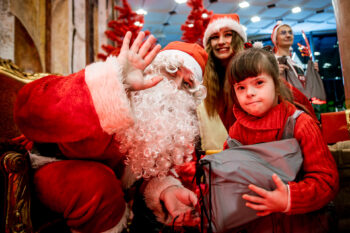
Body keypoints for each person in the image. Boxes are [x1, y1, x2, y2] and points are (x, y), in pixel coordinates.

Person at [14, 31, 208, 233]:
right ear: (152, 68)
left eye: (186, 84)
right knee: (95, 184)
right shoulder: (109, 87)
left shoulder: (165, 124)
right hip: (52, 165)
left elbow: (145, 169)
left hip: (109, 191)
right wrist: (117, 82)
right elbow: (29, 108)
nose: (175, 87)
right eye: (171, 71)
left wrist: (168, 188)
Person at [224, 47, 338, 232]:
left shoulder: (300, 123)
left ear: (276, 84)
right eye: (241, 87)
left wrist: (290, 198)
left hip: (303, 225)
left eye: (259, 82)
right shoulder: (235, 132)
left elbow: (326, 181)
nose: (249, 93)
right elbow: (227, 180)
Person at [196, 13, 247, 153]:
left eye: (228, 35)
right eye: (214, 37)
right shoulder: (203, 81)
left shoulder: (253, 73)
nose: (221, 41)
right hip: (215, 161)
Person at [271, 21, 320, 100]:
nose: (288, 35)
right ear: (276, 39)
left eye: (290, 32)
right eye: (283, 33)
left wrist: (312, 74)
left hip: (301, 107)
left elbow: (304, 89)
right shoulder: (271, 62)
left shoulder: (296, 64)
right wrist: (274, 74)